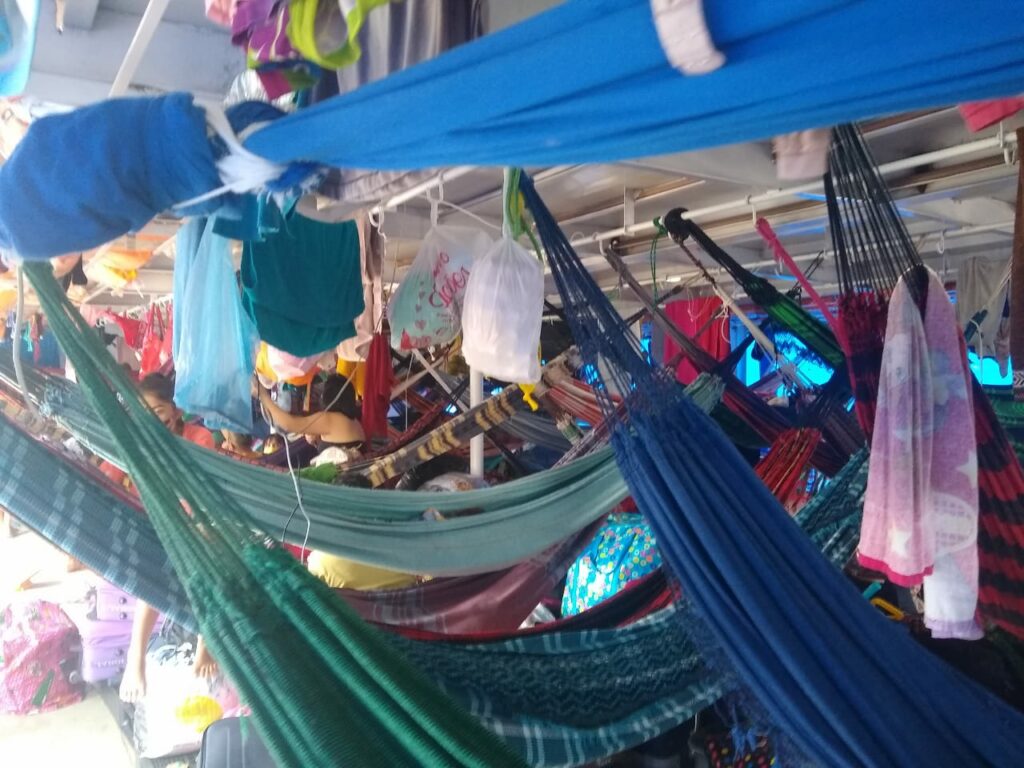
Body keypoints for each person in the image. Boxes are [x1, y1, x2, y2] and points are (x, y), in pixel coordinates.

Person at [119, 373, 218, 704]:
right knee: (151, 576)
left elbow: (201, 490)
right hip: (165, 523)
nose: (154, 419)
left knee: (206, 566)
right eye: (146, 413)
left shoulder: (199, 437)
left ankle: (205, 643)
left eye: (159, 411)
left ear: (175, 410)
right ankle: (136, 659)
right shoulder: (141, 444)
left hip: (201, 519)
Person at [256, 374, 366, 451]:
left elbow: (288, 424)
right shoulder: (352, 420)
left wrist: (263, 396)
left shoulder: (329, 419)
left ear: (328, 397)